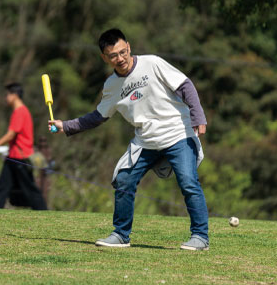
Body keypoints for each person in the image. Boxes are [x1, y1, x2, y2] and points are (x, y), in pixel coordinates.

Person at [49, 28, 210, 251]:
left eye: (123, 52)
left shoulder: (152, 63)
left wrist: (198, 116)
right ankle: (121, 234)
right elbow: (98, 117)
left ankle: (200, 237)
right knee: (124, 180)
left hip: (178, 134)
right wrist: (66, 126)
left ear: (129, 47)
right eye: (113, 55)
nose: (120, 58)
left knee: (189, 183)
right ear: (104, 57)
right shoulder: (111, 86)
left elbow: (185, 86)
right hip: (145, 141)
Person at [0, 82, 48, 210]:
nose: (5, 98)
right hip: (13, 156)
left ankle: (44, 211)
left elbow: (11, 135)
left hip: (20, 157)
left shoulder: (20, 112)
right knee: (2, 187)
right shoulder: (22, 111)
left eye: (7, 95)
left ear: (15, 95)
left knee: (30, 189)